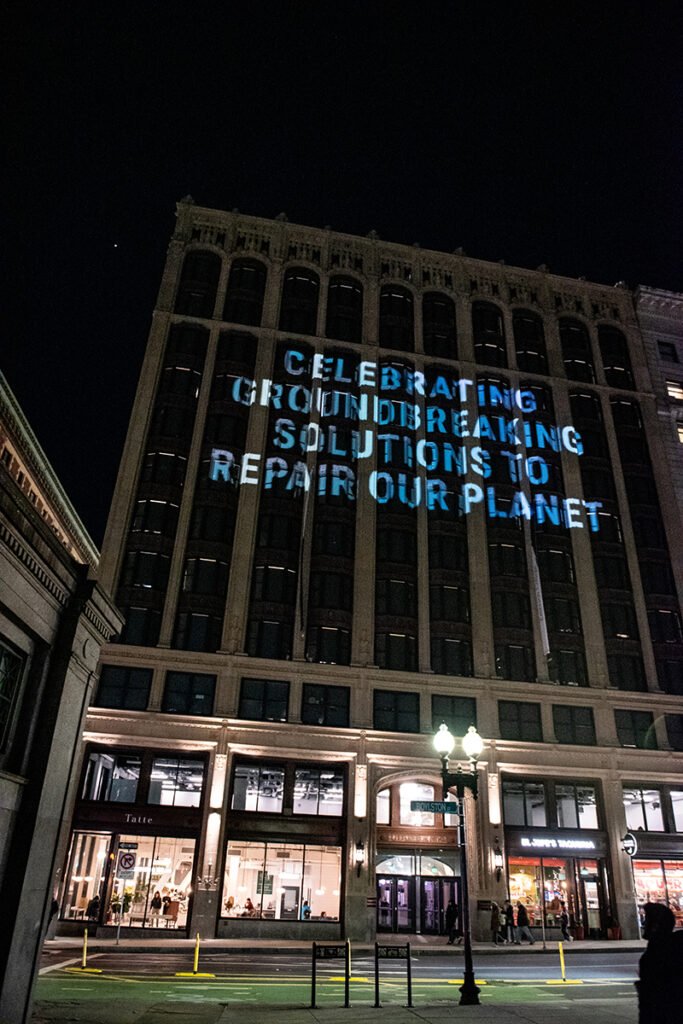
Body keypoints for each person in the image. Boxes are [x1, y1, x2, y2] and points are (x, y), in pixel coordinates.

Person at [636, 902, 683, 1024]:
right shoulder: (663, 947)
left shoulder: (662, 951)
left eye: (648, 919)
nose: (645, 924)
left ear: (656, 925)